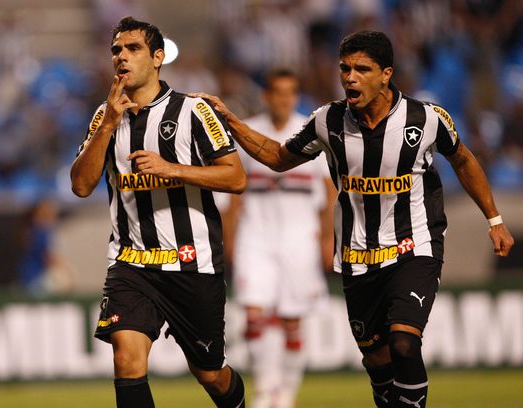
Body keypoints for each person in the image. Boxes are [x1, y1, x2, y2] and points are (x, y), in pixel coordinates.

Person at [193, 30, 514, 408]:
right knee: (377, 361)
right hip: (358, 257)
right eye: (345, 68)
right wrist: (230, 120)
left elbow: (463, 160)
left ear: (386, 74)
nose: (350, 77)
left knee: (404, 342)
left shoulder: (425, 118)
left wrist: (494, 219)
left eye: (362, 69)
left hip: (414, 247)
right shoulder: (327, 121)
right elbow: (278, 157)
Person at [70, 17, 248, 408]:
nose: (121, 56)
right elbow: (81, 185)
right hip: (132, 262)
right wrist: (108, 125)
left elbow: (236, 178)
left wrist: (172, 169)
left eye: (133, 48)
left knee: (210, 374)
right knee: (126, 358)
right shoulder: (104, 116)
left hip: (191, 262)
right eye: (116, 49)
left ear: (158, 57)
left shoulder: (194, 111)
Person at [220, 69, 336, 408]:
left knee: (292, 319)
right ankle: (265, 389)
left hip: (300, 238)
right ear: (266, 96)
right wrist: (230, 237)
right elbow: (234, 191)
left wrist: (327, 238)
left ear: (296, 97)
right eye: (278, 92)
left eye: (290, 93)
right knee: (254, 314)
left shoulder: (312, 133)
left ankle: (286, 391)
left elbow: (329, 193)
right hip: (255, 236)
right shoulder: (249, 133)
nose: (284, 99)